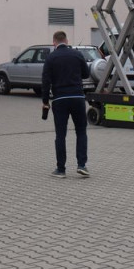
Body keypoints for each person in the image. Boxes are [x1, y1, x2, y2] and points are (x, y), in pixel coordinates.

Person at [41, 30, 91, 178]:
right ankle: (82, 165)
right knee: (81, 131)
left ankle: (61, 169)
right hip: (77, 97)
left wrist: (45, 102)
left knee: (60, 135)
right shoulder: (77, 54)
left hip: (59, 99)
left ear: (54, 42)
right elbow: (86, 74)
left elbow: (45, 82)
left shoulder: (51, 58)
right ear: (67, 41)